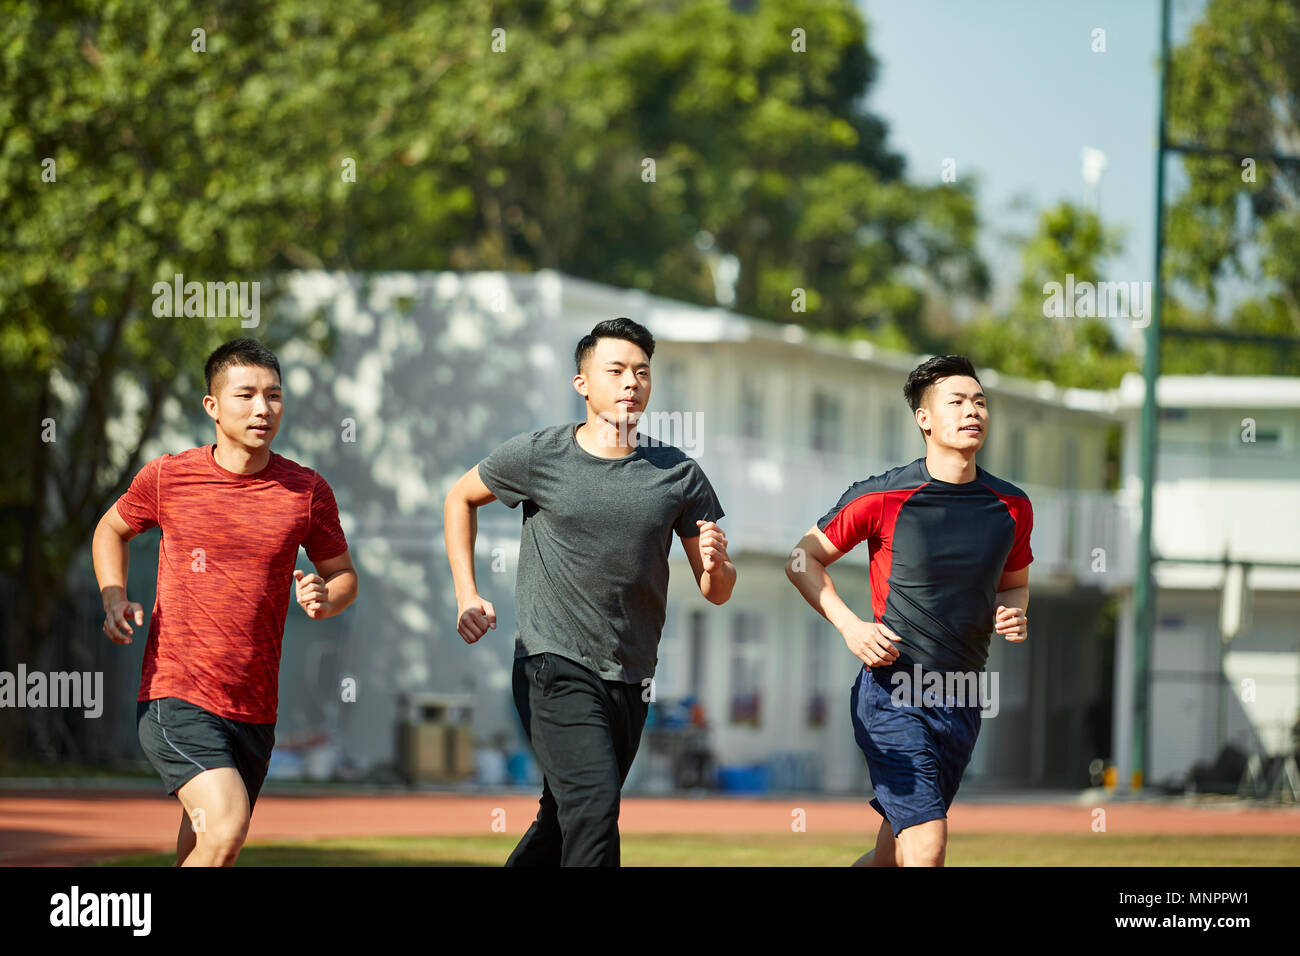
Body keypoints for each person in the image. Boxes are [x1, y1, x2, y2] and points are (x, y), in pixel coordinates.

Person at [443, 317, 736, 866]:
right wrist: (467, 592)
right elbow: (459, 498)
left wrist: (718, 564)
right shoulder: (538, 455)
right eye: (617, 370)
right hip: (551, 664)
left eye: (642, 372)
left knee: (567, 816)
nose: (632, 383)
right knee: (596, 809)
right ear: (582, 383)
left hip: (630, 675)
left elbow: (715, 589)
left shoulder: (679, 475)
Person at [92, 338, 358, 866]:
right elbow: (110, 529)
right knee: (226, 825)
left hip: (255, 709)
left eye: (274, 396)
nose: (263, 409)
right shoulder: (169, 477)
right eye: (246, 395)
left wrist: (326, 598)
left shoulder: (305, 491)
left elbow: (343, 575)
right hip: (178, 694)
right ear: (212, 406)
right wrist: (114, 597)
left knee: (206, 844)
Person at [785, 354, 1032, 867]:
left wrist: (1013, 611)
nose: (973, 411)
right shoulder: (883, 495)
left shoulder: (1011, 506)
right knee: (927, 847)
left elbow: (1015, 586)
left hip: (964, 698)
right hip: (893, 693)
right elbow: (801, 557)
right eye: (957, 401)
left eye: (980, 402)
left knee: (895, 850)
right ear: (924, 419)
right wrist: (850, 625)